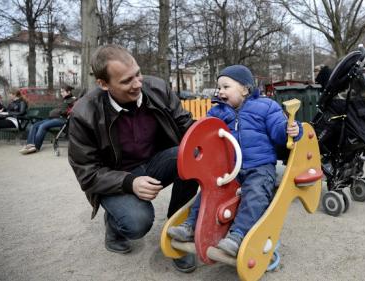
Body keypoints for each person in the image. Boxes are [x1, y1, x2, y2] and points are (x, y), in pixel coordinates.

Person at [67, 44, 199, 273]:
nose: (138, 84)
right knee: (137, 223)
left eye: (138, 74)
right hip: (117, 177)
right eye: (127, 81)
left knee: (191, 155)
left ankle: (177, 230)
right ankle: (115, 227)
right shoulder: (84, 114)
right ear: (103, 84)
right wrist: (130, 182)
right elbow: (86, 173)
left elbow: (187, 127)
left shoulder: (157, 89)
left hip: (156, 162)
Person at [167, 65, 302, 257]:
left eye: (226, 86)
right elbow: (205, 135)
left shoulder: (266, 107)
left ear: (245, 89)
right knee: (210, 191)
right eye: (219, 87)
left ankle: (237, 235)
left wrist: (291, 129)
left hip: (259, 166)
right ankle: (190, 225)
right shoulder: (218, 112)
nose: (220, 91)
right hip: (229, 169)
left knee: (256, 194)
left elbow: (279, 132)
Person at [19, 85, 77, 154]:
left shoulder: (73, 100)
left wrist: (60, 111)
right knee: (34, 125)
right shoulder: (65, 100)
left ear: (69, 92)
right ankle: (30, 145)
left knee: (42, 126)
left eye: (63, 92)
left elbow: (68, 111)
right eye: (61, 92)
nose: (61, 93)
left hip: (62, 120)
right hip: (53, 118)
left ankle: (36, 147)